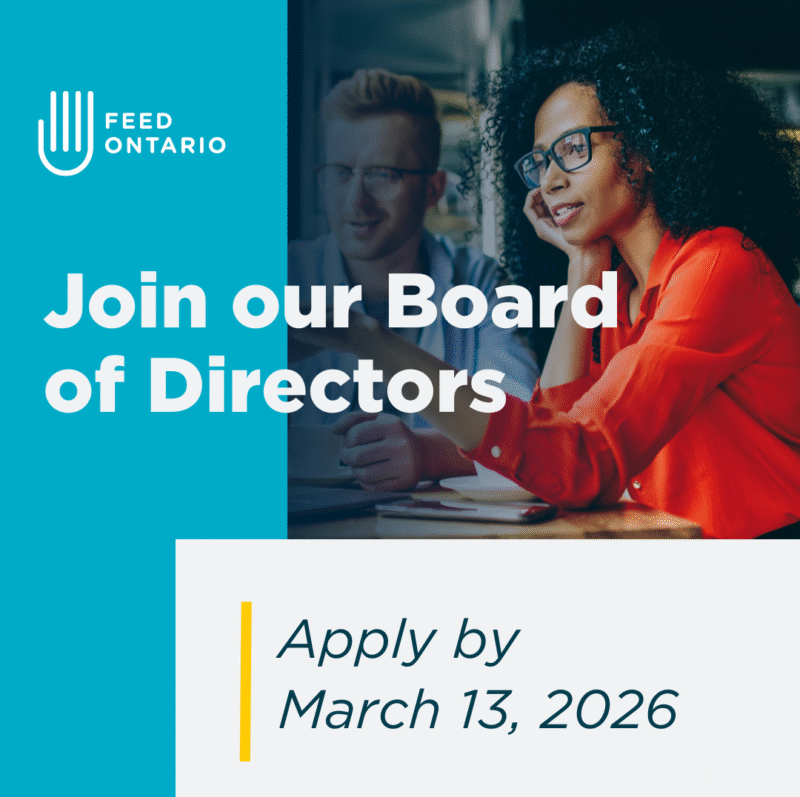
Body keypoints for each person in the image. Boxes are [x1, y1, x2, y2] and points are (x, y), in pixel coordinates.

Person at [291, 28, 800, 538]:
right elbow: (553, 438)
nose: (551, 180)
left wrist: (369, 340)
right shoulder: (616, 292)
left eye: (574, 149)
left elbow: (576, 462)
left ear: (644, 149)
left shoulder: (718, 267)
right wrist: (583, 264)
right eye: (541, 161)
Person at [289, 68, 539, 491]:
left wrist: (428, 455)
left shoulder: (477, 282)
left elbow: (525, 432)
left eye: (382, 174)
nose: (356, 200)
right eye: (341, 172)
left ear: (432, 189)